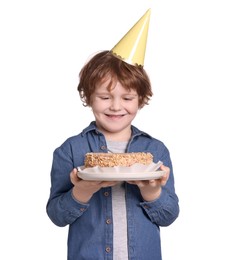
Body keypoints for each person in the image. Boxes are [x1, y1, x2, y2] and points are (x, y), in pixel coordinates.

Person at [46, 9, 179, 260]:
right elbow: (56, 215)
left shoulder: (156, 151)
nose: (116, 106)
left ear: (141, 99)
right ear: (88, 97)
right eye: (105, 97)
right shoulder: (71, 150)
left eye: (127, 98)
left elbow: (170, 215)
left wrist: (152, 193)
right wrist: (81, 192)